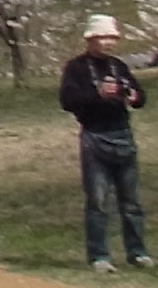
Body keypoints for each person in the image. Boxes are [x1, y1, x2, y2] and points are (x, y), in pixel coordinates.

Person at [56, 14, 151, 272]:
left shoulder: (119, 66)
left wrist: (132, 96)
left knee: (131, 202)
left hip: (123, 134)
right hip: (94, 136)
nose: (108, 42)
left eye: (112, 38)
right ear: (90, 39)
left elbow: (140, 97)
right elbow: (67, 100)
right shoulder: (76, 68)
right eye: (103, 37)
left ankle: (138, 252)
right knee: (98, 201)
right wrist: (97, 95)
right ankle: (99, 256)